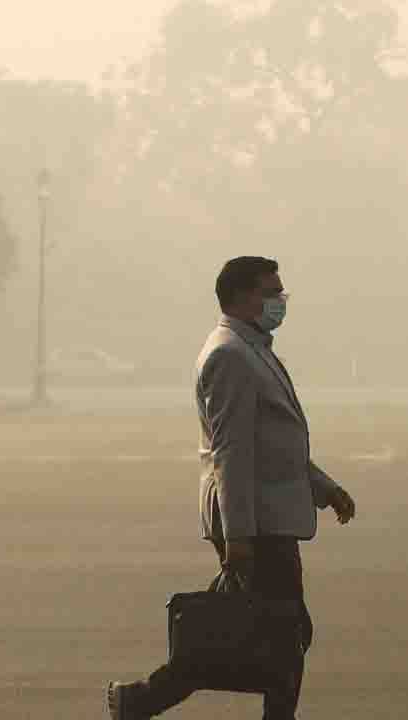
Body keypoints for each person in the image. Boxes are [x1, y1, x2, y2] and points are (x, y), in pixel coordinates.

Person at [107, 256, 357, 720]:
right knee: (282, 633)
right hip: (256, 522)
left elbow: (274, 441)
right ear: (242, 297)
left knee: (262, 630)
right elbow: (232, 453)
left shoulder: (252, 348)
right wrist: (239, 535)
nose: (280, 301)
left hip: (268, 516)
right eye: (271, 292)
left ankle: (139, 699)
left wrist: (323, 488)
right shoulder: (230, 355)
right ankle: (141, 699)